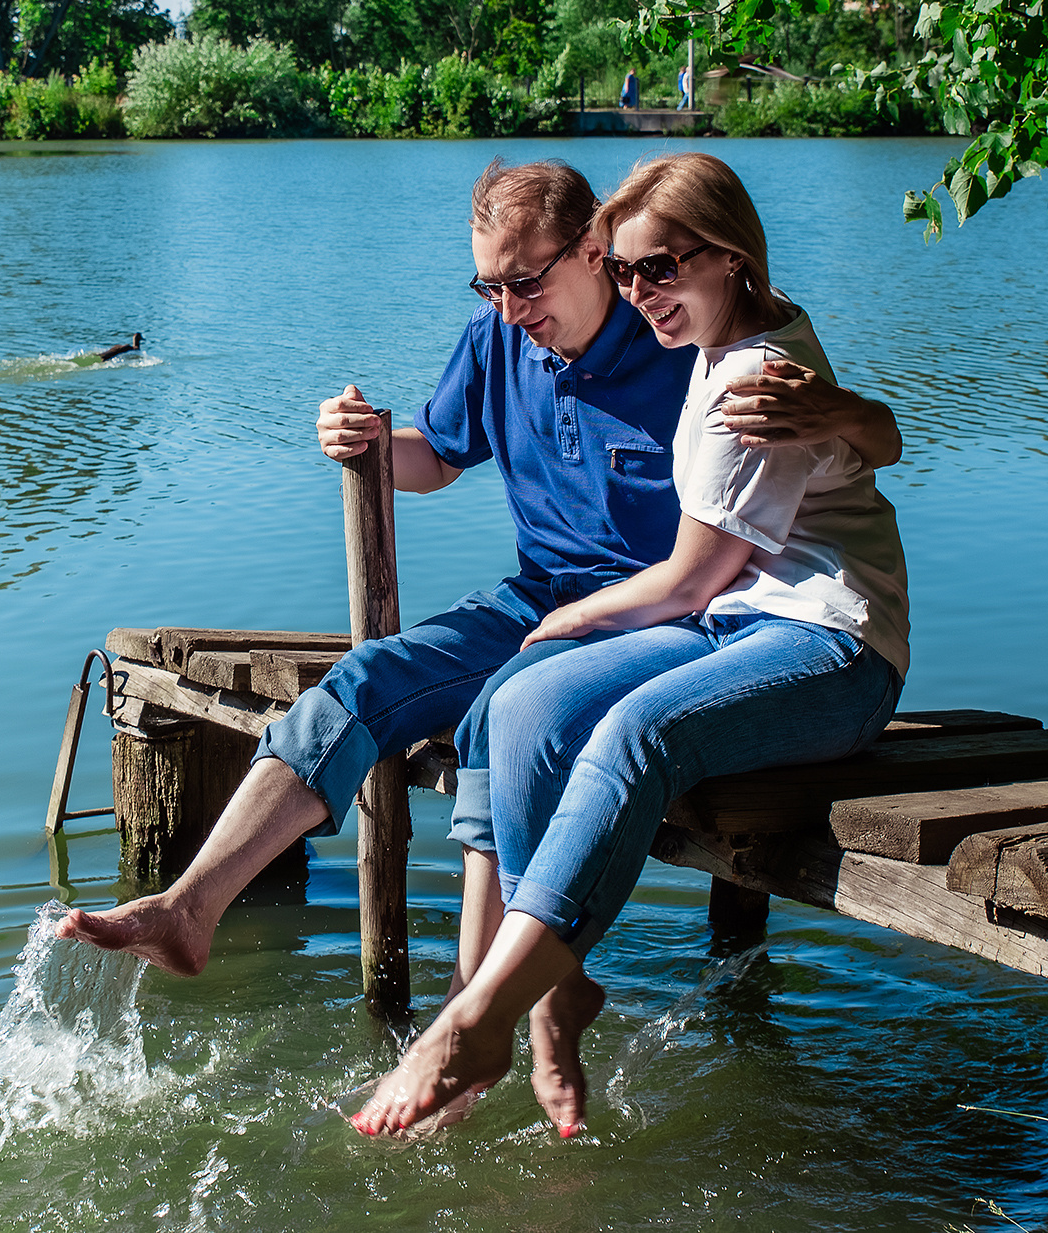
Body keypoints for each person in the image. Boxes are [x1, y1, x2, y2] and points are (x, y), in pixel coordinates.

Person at [55, 158, 901, 983]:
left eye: (526, 282)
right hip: (540, 593)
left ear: (590, 251)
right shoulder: (499, 340)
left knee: (502, 714)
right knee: (367, 681)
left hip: (670, 616)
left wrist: (853, 409)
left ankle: (479, 994)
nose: (508, 307)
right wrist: (374, 445)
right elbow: (441, 456)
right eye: (488, 287)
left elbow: (837, 436)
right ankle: (189, 909)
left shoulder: (684, 329)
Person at [353, 151, 910, 1139]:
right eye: (624, 269)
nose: (638, 291)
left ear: (731, 256)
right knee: (524, 701)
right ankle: (556, 993)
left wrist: (571, 617)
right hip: (735, 629)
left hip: (830, 649)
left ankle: (480, 1014)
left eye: (663, 267)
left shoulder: (748, 379)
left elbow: (693, 576)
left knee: (632, 734)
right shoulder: (717, 341)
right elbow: (873, 431)